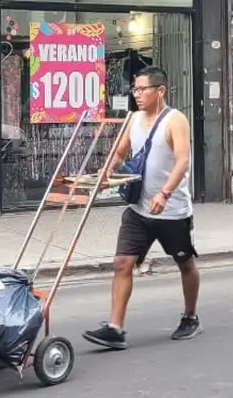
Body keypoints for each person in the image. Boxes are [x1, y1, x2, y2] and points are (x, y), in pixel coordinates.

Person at [83, 66, 201, 349]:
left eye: (141, 89)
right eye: (134, 89)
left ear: (160, 91)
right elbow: (119, 151)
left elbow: (183, 161)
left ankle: (190, 316)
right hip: (139, 210)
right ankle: (115, 328)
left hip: (171, 211)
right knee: (122, 263)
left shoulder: (175, 120)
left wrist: (164, 193)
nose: (136, 94)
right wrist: (106, 173)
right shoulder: (134, 119)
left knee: (185, 263)